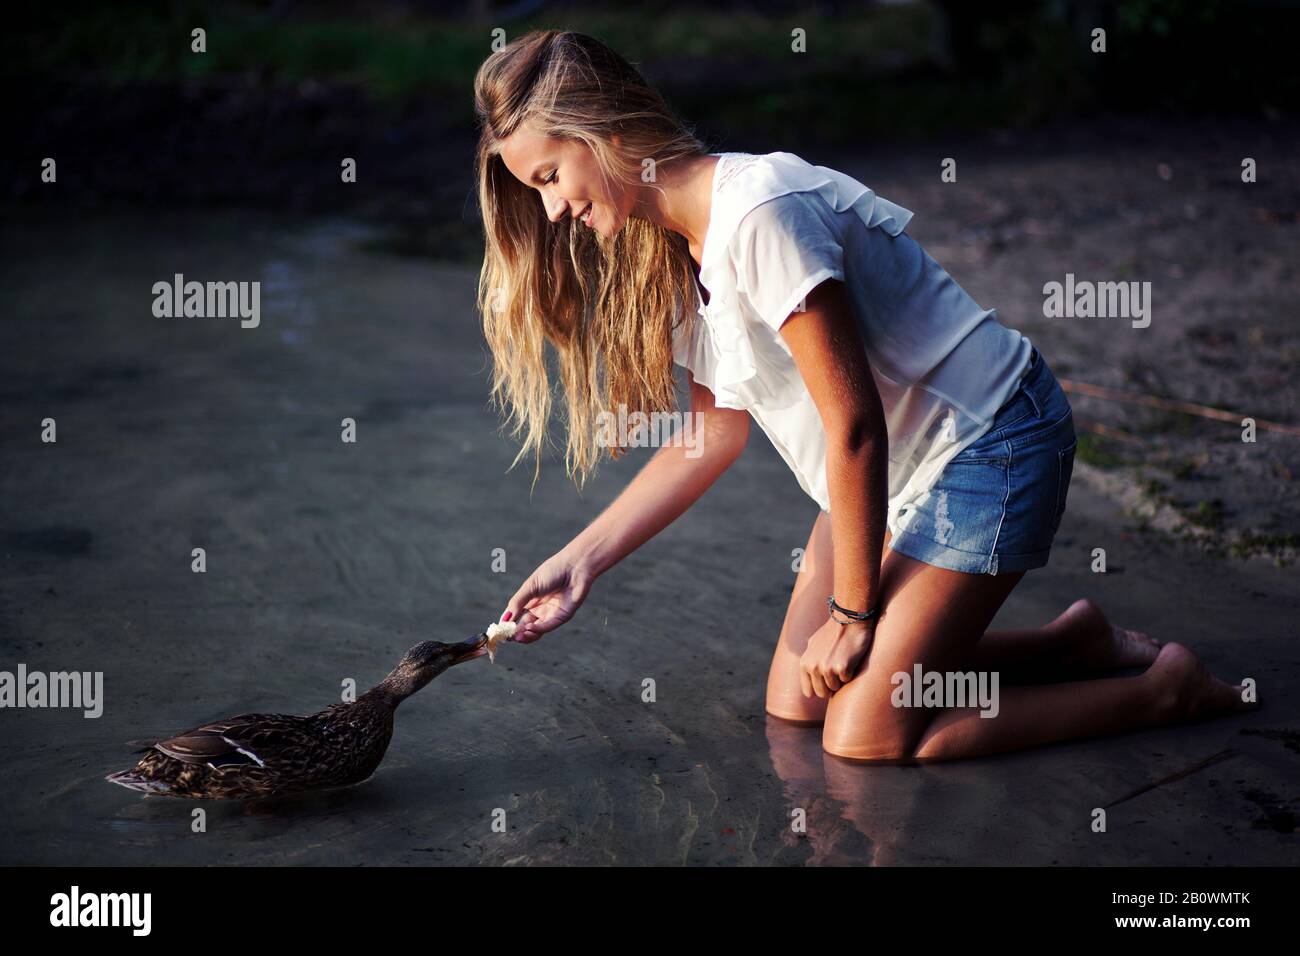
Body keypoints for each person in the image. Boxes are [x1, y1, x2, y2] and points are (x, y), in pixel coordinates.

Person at [472, 29, 1255, 763]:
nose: (552, 211)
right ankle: (1067, 648)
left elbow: (854, 427)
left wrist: (852, 618)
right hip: (899, 471)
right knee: (794, 704)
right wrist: (580, 563)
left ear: (604, 131)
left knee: (866, 736)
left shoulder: (759, 214)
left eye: (549, 177)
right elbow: (712, 436)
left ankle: (1162, 693)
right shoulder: (668, 253)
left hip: (989, 443)